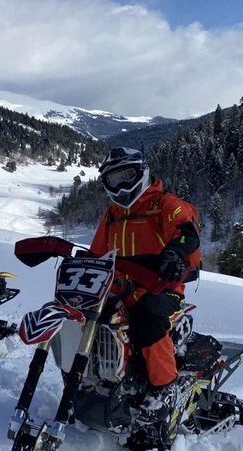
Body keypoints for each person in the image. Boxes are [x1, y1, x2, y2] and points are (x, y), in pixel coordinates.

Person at [89, 147, 201, 421]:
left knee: (147, 319)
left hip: (162, 288)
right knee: (89, 318)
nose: (122, 185)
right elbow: (96, 254)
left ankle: (164, 388)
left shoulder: (165, 204)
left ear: (142, 172)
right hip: (119, 288)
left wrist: (175, 254)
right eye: (114, 180)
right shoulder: (113, 215)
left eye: (127, 176)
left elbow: (187, 233)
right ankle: (94, 378)